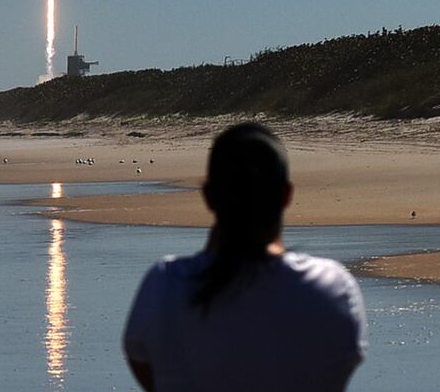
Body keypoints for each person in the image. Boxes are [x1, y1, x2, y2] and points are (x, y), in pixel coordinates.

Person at [123, 123, 366, 392]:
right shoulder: (331, 287)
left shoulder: (166, 284)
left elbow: (147, 369)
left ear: (208, 197)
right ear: (287, 195)